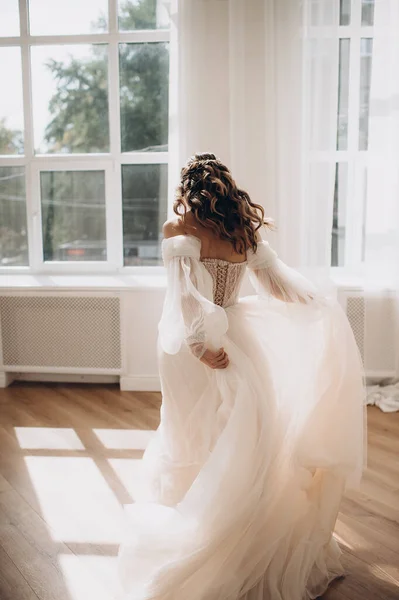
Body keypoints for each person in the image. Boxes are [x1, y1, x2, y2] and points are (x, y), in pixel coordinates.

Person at [117, 153, 365, 600]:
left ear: (187, 191)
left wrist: (200, 346)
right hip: (235, 337)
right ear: (226, 189)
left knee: (189, 427)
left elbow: (186, 297)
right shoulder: (241, 231)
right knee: (242, 429)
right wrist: (317, 302)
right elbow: (274, 287)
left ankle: (201, 516)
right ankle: (229, 511)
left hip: (192, 346)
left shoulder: (180, 230)